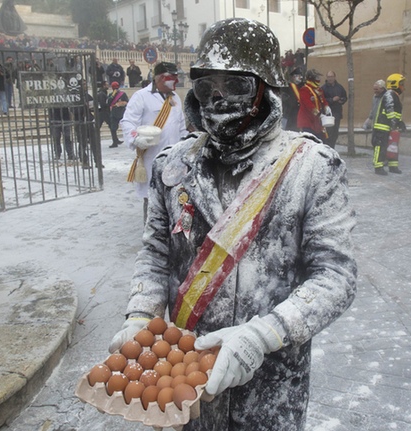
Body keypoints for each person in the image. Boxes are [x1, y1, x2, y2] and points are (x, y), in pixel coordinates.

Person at [110, 18, 356, 431]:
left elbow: (336, 275)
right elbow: (155, 255)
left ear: (264, 89)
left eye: (236, 85)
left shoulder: (310, 168)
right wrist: (140, 315)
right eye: (208, 87)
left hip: (272, 386)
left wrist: (265, 334)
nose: (219, 99)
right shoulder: (174, 167)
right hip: (187, 381)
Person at [120, 61, 187, 221]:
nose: (176, 82)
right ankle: (152, 241)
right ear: (160, 78)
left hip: (174, 161)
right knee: (152, 205)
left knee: (174, 202)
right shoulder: (141, 96)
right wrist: (136, 138)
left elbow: (181, 127)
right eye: (173, 78)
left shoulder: (175, 97)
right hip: (152, 159)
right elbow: (127, 122)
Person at [372, 73, 406, 175]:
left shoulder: (394, 95)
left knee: (393, 146)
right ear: (395, 84)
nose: (403, 86)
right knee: (381, 147)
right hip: (382, 127)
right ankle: (378, 167)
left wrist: (397, 123)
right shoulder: (390, 94)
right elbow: (389, 110)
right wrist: (397, 122)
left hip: (390, 126)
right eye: (401, 83)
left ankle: (393, 166)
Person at [297, 68, 332, 143]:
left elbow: (323, 100)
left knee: (320, 141)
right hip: (307, 122)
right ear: (311, 78)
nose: (319, 79)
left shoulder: (318, 89)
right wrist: (319, 114)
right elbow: (309, 105)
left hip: (316, 122)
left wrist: (326, 106)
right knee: (309, 143)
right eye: (317, 77)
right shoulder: (304, 89)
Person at [321, 71, 348, 149]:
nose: (330, 78)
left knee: (335, 133)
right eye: (329, 77)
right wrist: (331, 100)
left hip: (337, 113)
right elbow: (322, 100)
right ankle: (327, 149)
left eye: (331, 76)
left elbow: (345, 97)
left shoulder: (339, 87)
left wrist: (341, 100)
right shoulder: (323, 88)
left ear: (335, 77)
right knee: (328, 134)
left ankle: (332, 148)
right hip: (328, 115)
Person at [107, 82, 128, 148]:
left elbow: (127, 102)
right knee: (113, 128)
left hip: (121, 112)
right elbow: (108, 102)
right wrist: (112, 96)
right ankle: (115, 141)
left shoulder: (123, 94)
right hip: (114, 113)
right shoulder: (111, 95)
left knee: (126, 128)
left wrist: (120, 104)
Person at [281, 67, 303, 131]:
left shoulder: (302, 86)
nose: (301, 78)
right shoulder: (287, 87)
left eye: (301, 76)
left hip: (298, 114)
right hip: (289, 114)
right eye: (299, 76)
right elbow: (283, 97)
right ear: (294, 77)